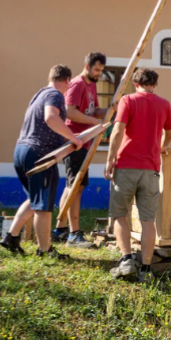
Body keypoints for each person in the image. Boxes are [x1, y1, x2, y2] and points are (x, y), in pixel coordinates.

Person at [0, 64, 81, 260]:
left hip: (22, 151)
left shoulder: (39, 94)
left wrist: (69, 137)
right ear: (68, 81)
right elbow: (51, 117)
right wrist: (74, 139)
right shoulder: (55, 95)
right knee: (43, 205)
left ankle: (11, 236)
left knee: (36, 200)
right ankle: (45, 251)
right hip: (40, 155)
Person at [105, 68, 171, 283]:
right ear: (155, 84)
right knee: (148, 220)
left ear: (136, 84)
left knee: (119, 214)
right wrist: (160, 148)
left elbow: (117, 132)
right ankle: (145, 269)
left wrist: (110, 160)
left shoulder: (128, 101)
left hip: (126, 166)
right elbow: (169, 133)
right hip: (151, 169)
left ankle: (126, 261)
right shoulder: (164, 104)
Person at [52, 52, 108, 246]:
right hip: (74, 141)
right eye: (96, 70)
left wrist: (111, 110)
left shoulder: (92, 85)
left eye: (101, 71)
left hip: (85, 142)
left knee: (77, 186)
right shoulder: (77, 84)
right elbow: (70, 112)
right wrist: (94, 121)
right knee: (74, 187)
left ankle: (60, 228)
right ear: (87, 66)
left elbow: (94, 111)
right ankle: (73, 233)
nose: (99, 74)